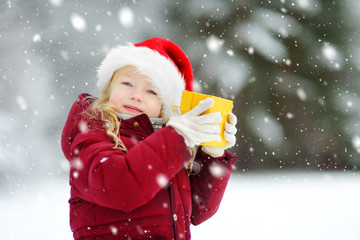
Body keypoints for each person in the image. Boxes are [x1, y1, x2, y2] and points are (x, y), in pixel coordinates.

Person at [61, 37, 238, 240]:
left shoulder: (166, 145)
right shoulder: (91, 136)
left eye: (151, 91)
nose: (136, 95)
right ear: (109, 89)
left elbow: (199, 210)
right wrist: (176, 137)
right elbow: (121, 187)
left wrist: (211, 154)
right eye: (127, 83)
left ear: (164, 106)